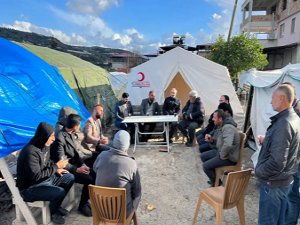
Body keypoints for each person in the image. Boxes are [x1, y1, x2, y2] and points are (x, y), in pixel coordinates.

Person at [255, 85, 300, 225]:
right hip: (283, 181)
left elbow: (277, 162)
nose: (270, 102)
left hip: (273, 184)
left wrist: (259, 171)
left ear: (282, 99)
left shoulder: (284, 123)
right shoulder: (293, 118)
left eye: (273, 98)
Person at [16, 122, 74, 225]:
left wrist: (56, 169)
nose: (53, 139)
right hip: (30, 188)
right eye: (51, 136)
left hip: (44, 180)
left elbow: (47, 162)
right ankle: (54, 212)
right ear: (44, 136)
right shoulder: (30, 152)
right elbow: (36, 177)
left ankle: (55, 206)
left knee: (69, 177)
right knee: (59, 192)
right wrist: (56, 166)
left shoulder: (45, 145)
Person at [51, 114, 95, 217]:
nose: (80, 127)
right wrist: (77, 169)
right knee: (89, 179)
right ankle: (82, 205)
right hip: (64, 168)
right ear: (75, 125)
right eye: (79, 125)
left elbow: (75, 154)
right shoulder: (60, 137)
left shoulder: (71, 133)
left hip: (74, 164)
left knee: (94, 173)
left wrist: (83, 164)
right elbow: (61, 161)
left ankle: (85, 200)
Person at [93, 130, 141, 218]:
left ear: (114, 142)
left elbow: (95, 169)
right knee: (137, 193)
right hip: (121, 214)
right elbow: (136, 191)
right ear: (127, 145)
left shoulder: (102, 155)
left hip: (100, 209)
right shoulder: (131, 163)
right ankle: (129, 219)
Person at [200, 109, 240, 186]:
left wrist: (222, 155)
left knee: (205, 166)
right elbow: (221, 143)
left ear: (220, 119)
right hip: (223, 153)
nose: (212, 119)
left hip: (229, 157)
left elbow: (228, 144)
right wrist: (212, 140)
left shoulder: (228, 127)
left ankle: (217, 184)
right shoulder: (223, 126)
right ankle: (215, 179)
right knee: (203, 156)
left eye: (214, 117)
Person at [281, 82, 300, 225]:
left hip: (296, 161)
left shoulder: (296, 112)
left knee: (292, 195)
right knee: (291, 195)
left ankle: (290, 222)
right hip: (294, 159)